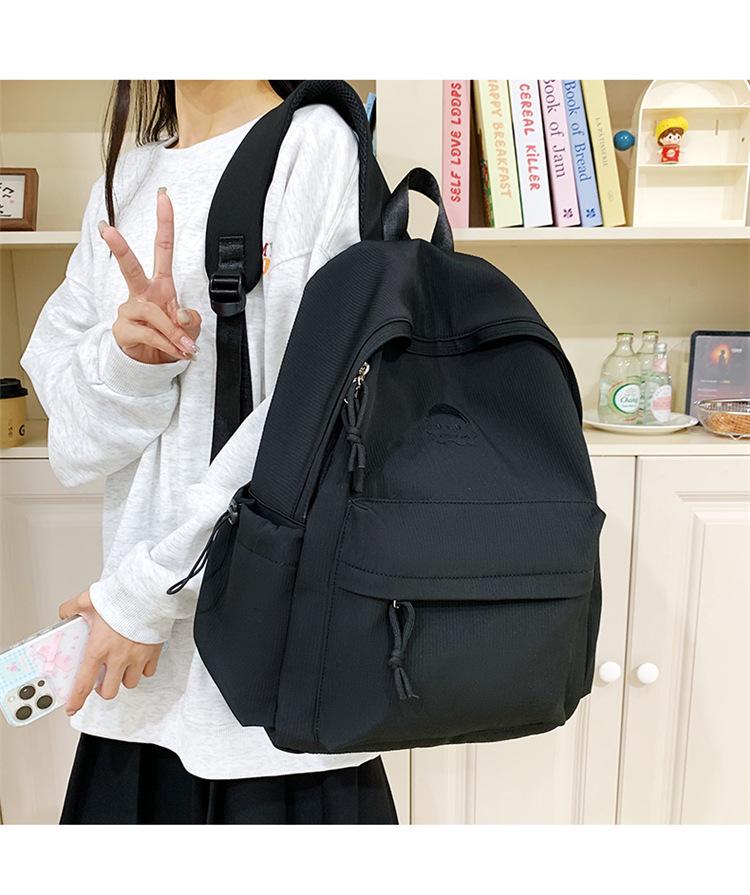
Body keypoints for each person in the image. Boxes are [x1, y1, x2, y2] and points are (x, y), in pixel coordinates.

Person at [20, 79, 397, 825]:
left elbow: (316, 412)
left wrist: (148, 592)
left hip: (266, 688)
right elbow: (75, 445)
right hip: (138, 677)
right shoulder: (126, 177)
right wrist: (132, 363)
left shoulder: (315, 144)